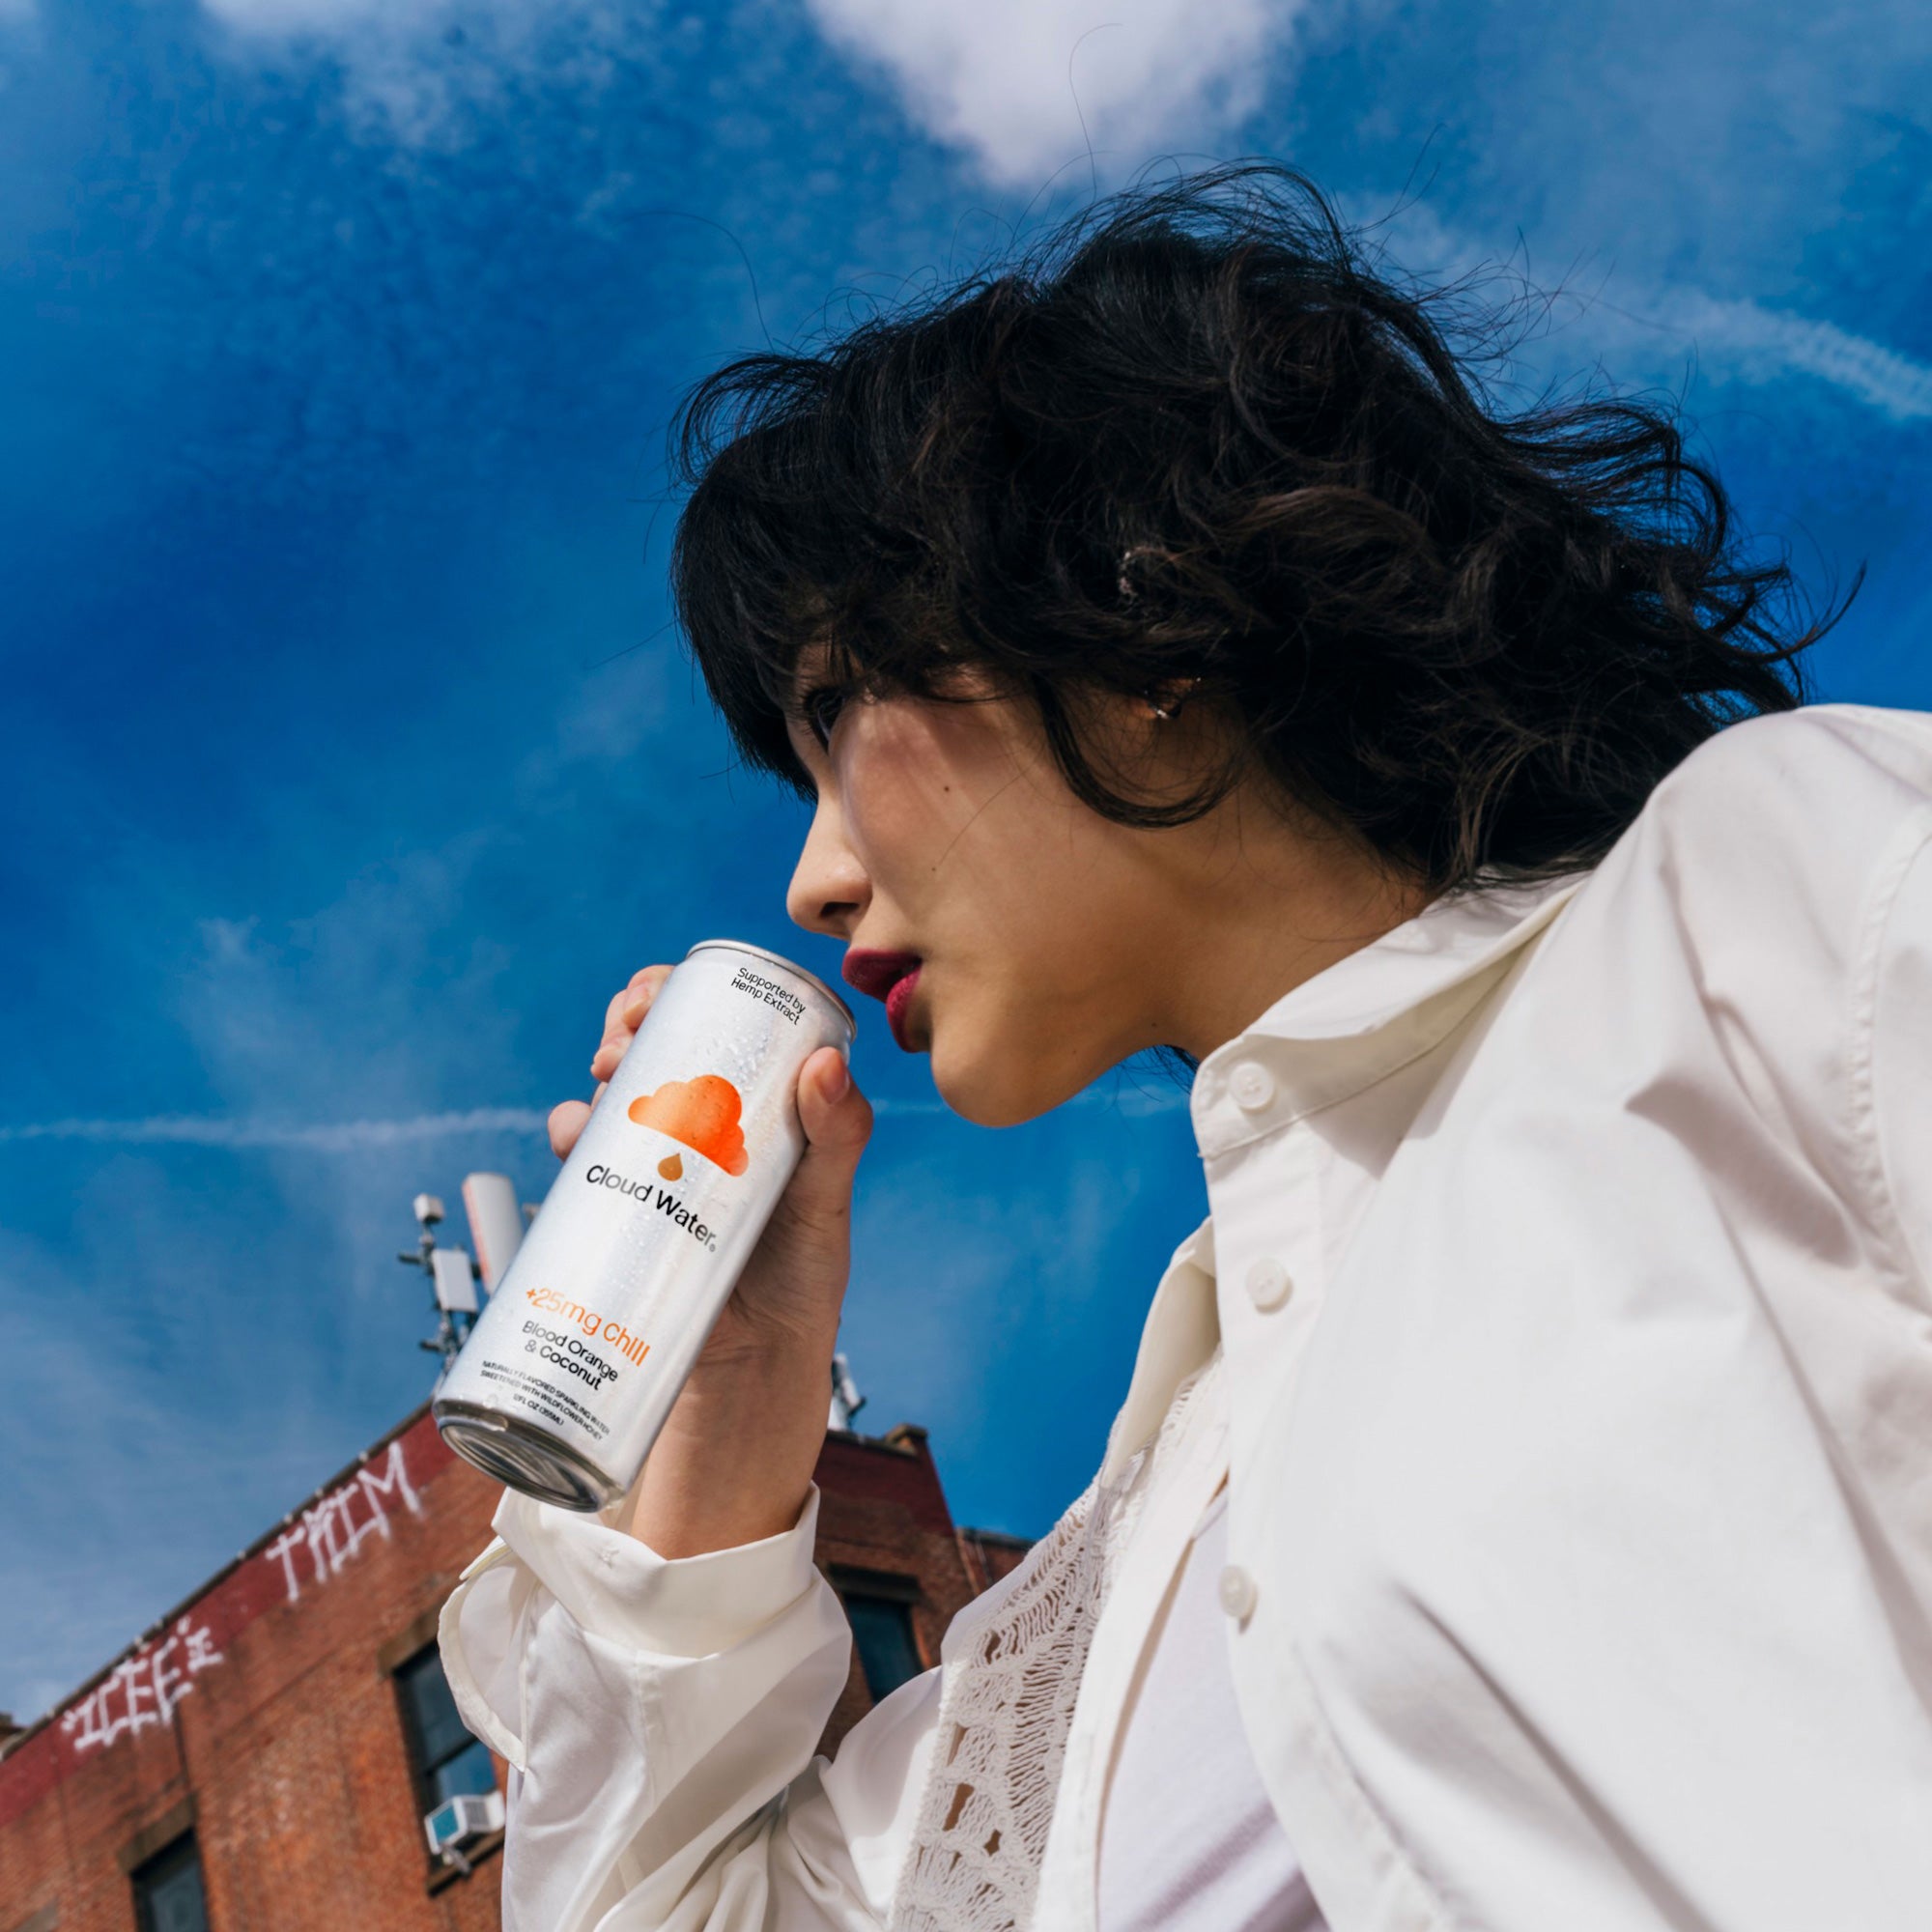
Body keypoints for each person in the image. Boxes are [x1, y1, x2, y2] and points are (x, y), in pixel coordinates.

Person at [440, 165, 1932, 1931]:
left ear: (1136, 621)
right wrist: (744, 1371)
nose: (813, 874)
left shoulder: (1761, 911)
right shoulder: (1117, 1586)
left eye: (842, 715)